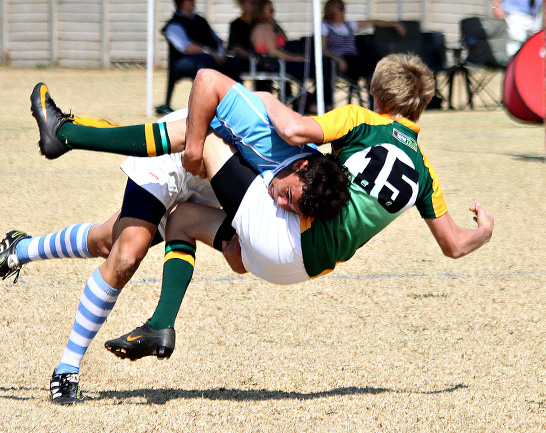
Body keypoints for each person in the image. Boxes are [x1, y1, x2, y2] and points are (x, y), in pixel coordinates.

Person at [106, 55, 494, 363]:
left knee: (207, 133)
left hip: (286, 235)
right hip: (299, 271)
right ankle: (161, 325)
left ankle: (76, 135)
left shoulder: (364, 121)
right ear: (421, 106)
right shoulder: (424, 172)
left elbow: (294, 130)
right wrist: (483, 231)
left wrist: (266, 99)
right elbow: (454, 245)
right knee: (183, 219)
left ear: (380, 98)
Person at [13, 76, 350, 405]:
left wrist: (237, 250)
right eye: (288, 194)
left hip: (210, 190)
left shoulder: (306, 195)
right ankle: (67, 369)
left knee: (105, 240)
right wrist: (192, 149)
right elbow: (206, 81)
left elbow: (237, 259)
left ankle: (20, 249)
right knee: (126, 253)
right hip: (176, 157)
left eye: (291, 206)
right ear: (302, 164)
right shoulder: (273, 136)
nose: (282, 204)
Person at [157, 0, 240, 114]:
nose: (193, 2)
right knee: (206, 63)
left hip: (211, 57)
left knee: (235, 63)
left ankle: (235, 103)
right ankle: (205, 106)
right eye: (189, 0)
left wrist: (221, 54)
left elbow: (218, 40)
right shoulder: (174, 24)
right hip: (182, 62)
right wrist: (211, 53)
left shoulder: (201, 21)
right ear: (180, 3)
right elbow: (186, 47)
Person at [250, 0, 334, 111]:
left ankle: (312, 101)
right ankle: (316, 102)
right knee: (323, 66)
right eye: (270, 10)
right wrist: (296, 58)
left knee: (324, 64)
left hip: (281, 63)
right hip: (275, 65)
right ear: (261, 12)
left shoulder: (273, 26)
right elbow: (273, 52)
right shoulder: (264, 28)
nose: (273, 13)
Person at [321, 0, 405, 85]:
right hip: (339, 60)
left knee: (370, 53)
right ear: (331, 10)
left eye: (343, 8)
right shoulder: (325, 26)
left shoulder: (348, 25)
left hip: (354, 58)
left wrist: (394, 24)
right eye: (340, 9)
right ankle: (374, 82)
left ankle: (375, 82)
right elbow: (323, 49)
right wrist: (337, 59)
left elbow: (373, 22)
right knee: (365, 63)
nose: (343, 11)